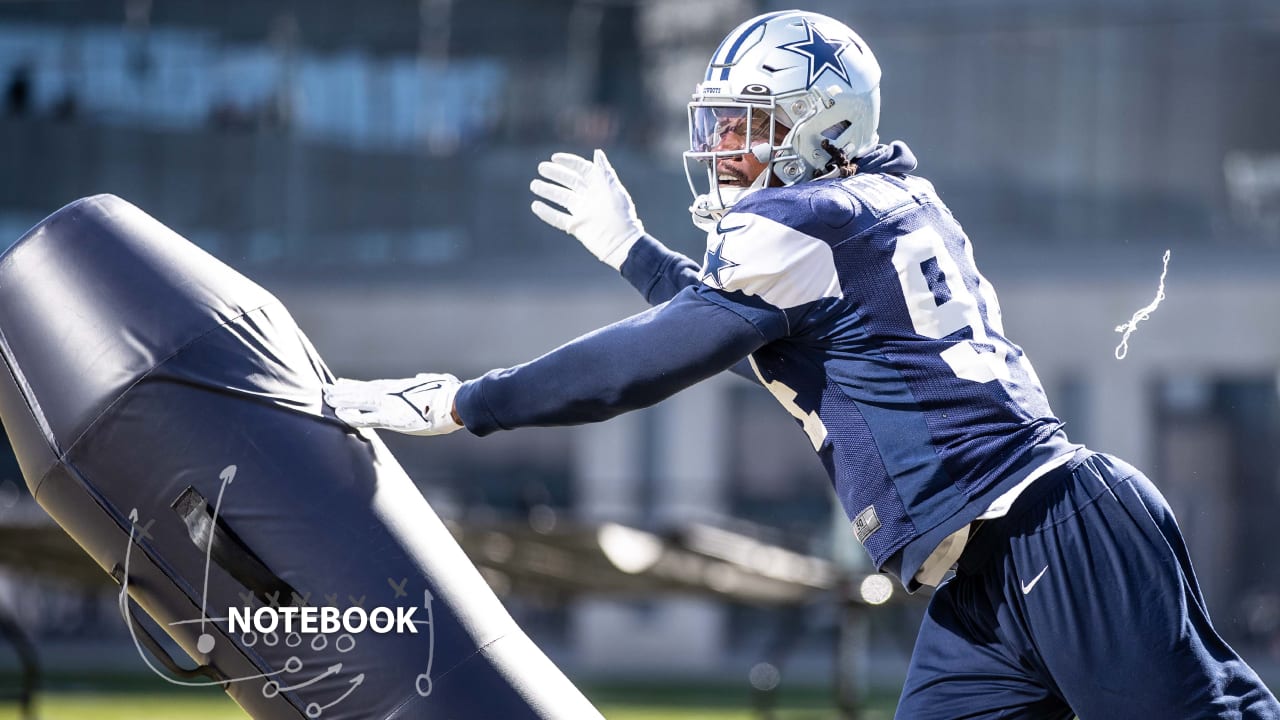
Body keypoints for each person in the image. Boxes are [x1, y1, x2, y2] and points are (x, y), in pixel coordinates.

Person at [323, 10, 1280, 718]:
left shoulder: (805, 222)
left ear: (822, 126)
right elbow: (772, 352)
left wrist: (465, 402)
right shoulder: (871, 205)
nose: (723, 152)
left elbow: (640, 369)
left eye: (748, 126)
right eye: (720, 125)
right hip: (984, 569)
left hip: (1049, 530)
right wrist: (637, 256)